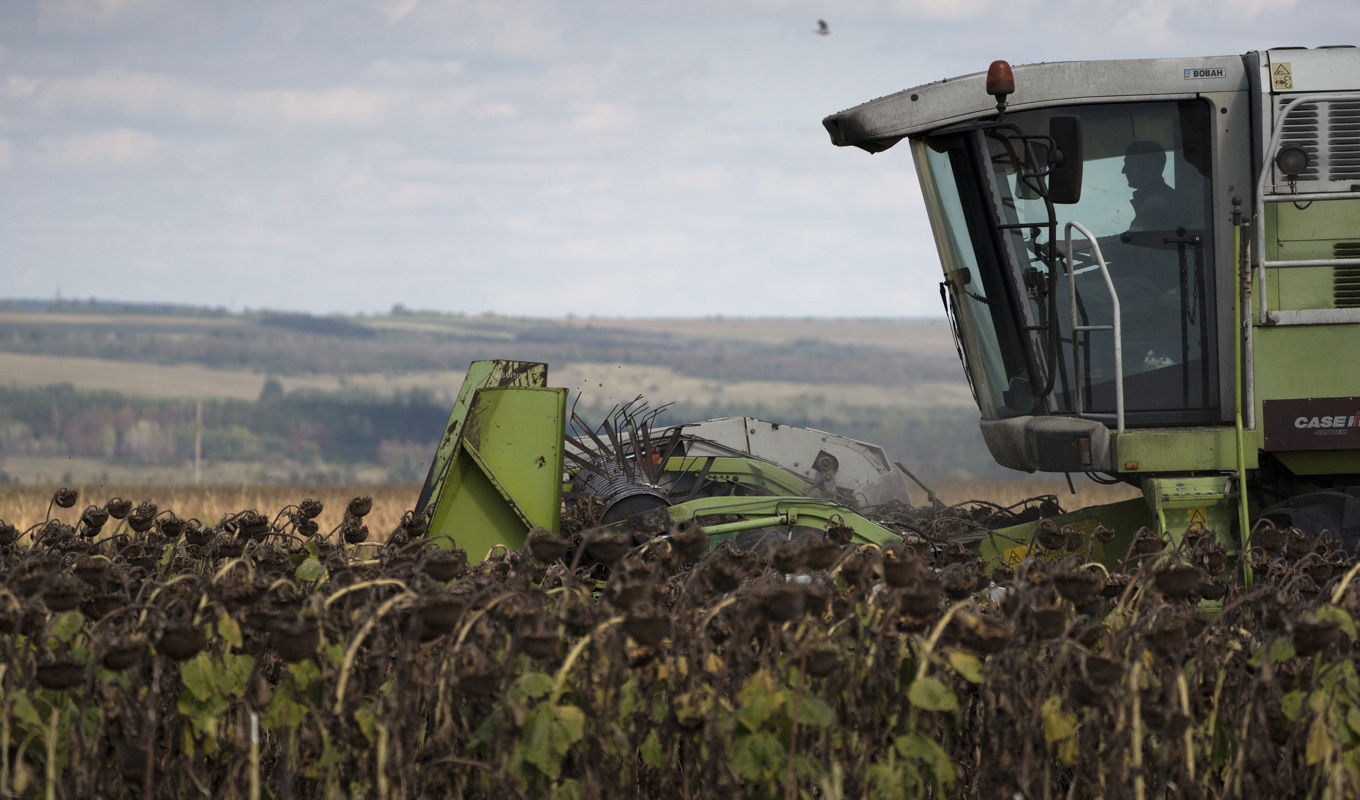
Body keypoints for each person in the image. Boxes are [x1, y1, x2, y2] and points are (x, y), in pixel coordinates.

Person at [1121, 140, 1178, 231]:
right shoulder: (1166, 198)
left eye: (1130, 163)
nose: (1123, 170)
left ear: (1151, 165)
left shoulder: (1155, 206)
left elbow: (1135, 241)